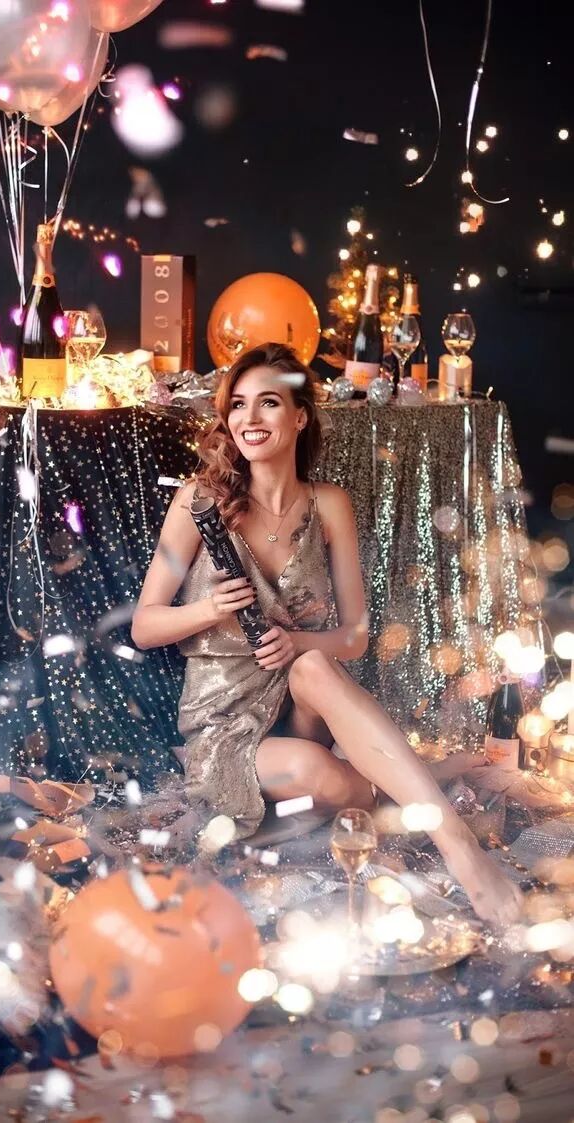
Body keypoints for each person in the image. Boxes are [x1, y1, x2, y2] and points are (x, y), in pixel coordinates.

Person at [132, 342, 521, 926]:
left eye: (268, 403)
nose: (249, 418)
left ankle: (458, 846)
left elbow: (355, 637)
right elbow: (144, 627)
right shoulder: (199, 501)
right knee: (321, 776)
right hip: (227, 723)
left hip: (302, 701)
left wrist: (297, 644)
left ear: (300, 416)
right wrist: (209, 609)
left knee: (313, 665)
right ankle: (398, 782)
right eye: (237, 405)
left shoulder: (330, 504)